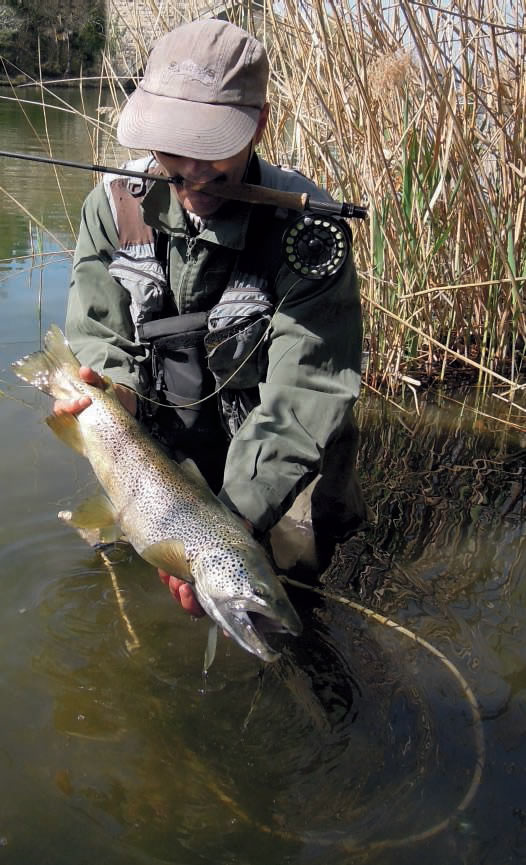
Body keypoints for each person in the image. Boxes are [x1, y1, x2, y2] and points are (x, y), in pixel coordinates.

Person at [54, 17, 367, 619]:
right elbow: (96, 336)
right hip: (162, 447)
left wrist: (228, 527)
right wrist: (108, 393)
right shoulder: (112, 208)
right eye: (174, 143)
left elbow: (306, 392)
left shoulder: (309, 233)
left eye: (211, 144)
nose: (193, 168)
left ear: (258, 125)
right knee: (136, 569)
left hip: (280, 452)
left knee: (294, 597)